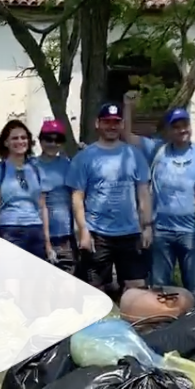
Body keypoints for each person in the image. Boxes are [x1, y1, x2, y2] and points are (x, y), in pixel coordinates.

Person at [67, 102, 151, 293]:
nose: (111, 126)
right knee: (95, 290)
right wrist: (83, 231)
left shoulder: (134, 155)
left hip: (130, 232)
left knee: (136, 289)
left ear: (121, 124)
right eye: (107, 122)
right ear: (98, 123)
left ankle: (132, 323)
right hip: (98, 233)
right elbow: (77, 197)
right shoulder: (85, 157)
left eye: (116, 122)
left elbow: (143, 192)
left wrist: (146, 227)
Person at [146, 108, 195, 296]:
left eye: (185, 125)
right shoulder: (158, 152)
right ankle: (162, 321)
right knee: (160, 284)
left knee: (194, 285)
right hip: (162, 229)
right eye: (176, 127)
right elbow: (130, 138)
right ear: (168, 130)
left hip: (190, 230)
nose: (182, 130)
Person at [0, 119, 51, 259]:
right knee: (12, 278)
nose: (20, 141)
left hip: (35, 229)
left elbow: (42, 207)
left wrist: (47, 242)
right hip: (10, 229)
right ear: (6, 142)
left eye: (23, 138)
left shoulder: (36, 170)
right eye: (15, 138)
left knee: (34, 279)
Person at [35, 119, 76, 271]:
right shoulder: (31, 166)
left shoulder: (68, 164)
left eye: (58, 139)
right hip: (39, 234)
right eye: (48, 139)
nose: (53, 144)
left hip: (65, 234)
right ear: (40, 140)